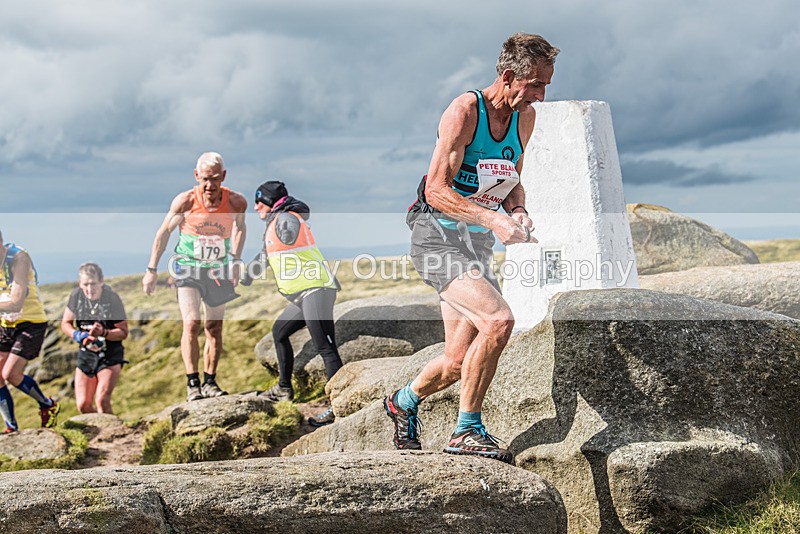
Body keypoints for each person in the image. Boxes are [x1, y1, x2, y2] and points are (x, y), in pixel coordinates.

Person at [386, 33, 558, 464]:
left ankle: (402, 401)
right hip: (435, 236)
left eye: (545, 86)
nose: (540, 94)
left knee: (458, 362)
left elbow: (512, 178)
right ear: (507, 76)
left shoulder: (525, 118)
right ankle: (467, 429)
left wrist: (517, 212)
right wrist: (491, 218)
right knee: (499, 320)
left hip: (475, 243)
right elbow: (436, 189)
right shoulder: (464, 112)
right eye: (535, 84)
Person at [142, 152, 247, 402]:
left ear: (223, 176)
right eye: (204, 179)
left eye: (214, 179)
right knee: (191, 323)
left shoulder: (236, 202)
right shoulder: (185, 201)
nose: (209, 185)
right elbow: (163, 234)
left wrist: (235, 260)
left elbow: (240, 228)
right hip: (187, 268)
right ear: (196, 176)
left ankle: (210, 381)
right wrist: (151, 270)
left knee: (214, 327)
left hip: (217, 270)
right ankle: (192, 384)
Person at [252, 181, 342, 427]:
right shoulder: (274, 223)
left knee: (326, 348)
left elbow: (289, 232)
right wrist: (245, 276)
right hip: (304, 294)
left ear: (270, 202)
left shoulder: (285, 218)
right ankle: (283, 389)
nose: (255, 206)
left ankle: (337, 406)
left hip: (317, 290)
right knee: (279, 332)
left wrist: (287, 230)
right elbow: (264, 256)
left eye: (259, 200)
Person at [0, 230, 61, 432]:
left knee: (11, 374)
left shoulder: (18, 258)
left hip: (31, 322)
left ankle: (47, 404)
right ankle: (11, 428)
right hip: (5, 324)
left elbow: (16, 303)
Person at [61, 263, 129, 414]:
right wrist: (78, 335)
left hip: (110, 354)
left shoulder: (112, 299)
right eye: (85, 284)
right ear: (80, 283)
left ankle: (114, 434)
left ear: (101, 282)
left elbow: (123, 332)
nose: (89, 289)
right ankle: (97, 435)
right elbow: (65, 324)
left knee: (102, 400)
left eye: (93, 284)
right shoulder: (76, 296)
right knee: (83, 405)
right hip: (86, 354)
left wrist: (104, 332)